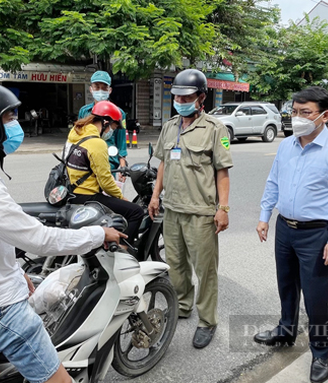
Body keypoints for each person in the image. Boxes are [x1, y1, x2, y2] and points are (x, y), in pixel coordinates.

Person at [0, 82, 125, 383]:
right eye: (8, 118)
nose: (16, 125)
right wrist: (99, 234)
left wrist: (17, 273)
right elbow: (40, 240)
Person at [254, 86, 328, 383]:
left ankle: (321, 351)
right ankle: (285, 330)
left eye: (305, 113)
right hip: (285, 229)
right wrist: (265, 216)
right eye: (293, 111)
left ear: (325, 115)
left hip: (318, 234)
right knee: (286, 286)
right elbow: (273, 181)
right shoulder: (287, 145)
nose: (297, 118)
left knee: (316, 298)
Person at [148, 69, 233, 349]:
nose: (180, 100)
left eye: (186, 96)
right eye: (176, 95)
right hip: (172, 210)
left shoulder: (215, 130)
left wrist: (223, 208)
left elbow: (222, 172)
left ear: (201, 98)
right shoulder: (170, 126)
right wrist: (155, 195)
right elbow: (162, 162)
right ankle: (183, 306)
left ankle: (207, 320)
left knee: (205, 269)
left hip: (201, 213)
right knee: (176, 265)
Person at [67, 100, 145, 241]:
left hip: (72, 191)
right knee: (136, 211)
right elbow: (106, 182)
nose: (111, 132)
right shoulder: (97, 143)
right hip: (88, 195)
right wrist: (122, 198)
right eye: (112, 128)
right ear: (105, 122)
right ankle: (123, 250)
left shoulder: (75, 133)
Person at [78, 70, 128, 181]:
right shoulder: (84, 112)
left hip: (109, 164)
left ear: (109, 90)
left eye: (104, 87)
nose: (100, 91)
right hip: (87, 162)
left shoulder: (119, 114)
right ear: (91, 89)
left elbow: (121, 141)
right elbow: (78, 138)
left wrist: (122, 166)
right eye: (97, 87)